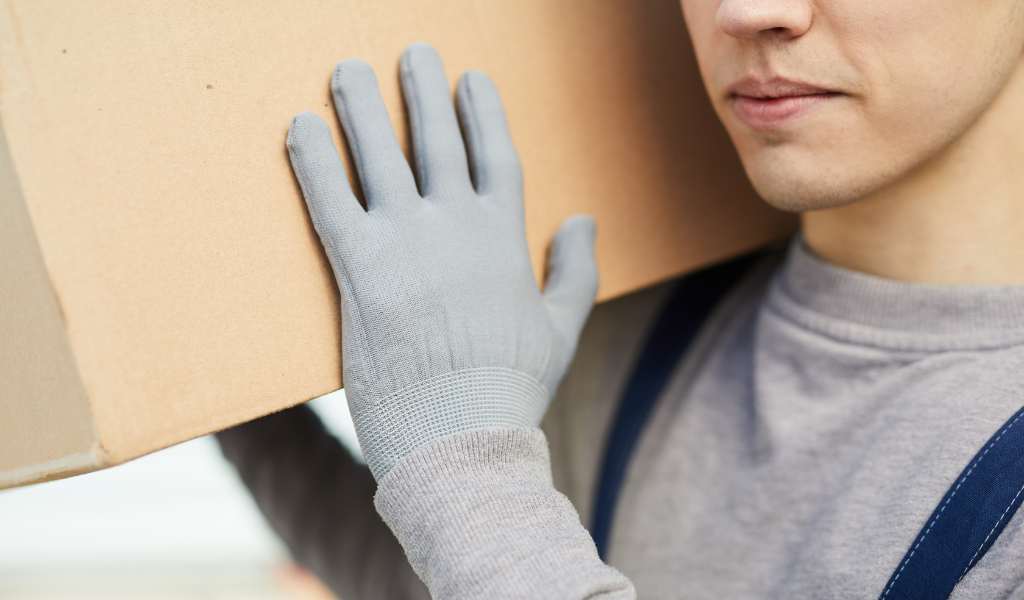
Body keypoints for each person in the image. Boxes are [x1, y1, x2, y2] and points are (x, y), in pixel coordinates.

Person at [217, 0, 1024, 597]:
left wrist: (466, 460)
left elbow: (481, 517)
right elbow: (449, 572)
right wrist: (210, 380)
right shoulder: (639, 325)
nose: (746, 10)